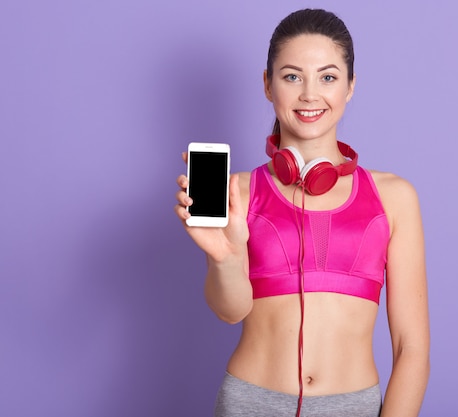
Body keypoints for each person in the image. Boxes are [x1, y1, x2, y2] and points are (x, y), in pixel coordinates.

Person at [174, 8, 429, 417]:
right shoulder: (235, 192)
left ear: (350, 87)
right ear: (267, 84)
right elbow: (230, 310)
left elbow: (411, 347)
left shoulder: (395, 197)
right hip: (249, 402)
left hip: (353, 405)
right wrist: (227, 258)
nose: (310, 94)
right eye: (292, 76)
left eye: (327, 77)